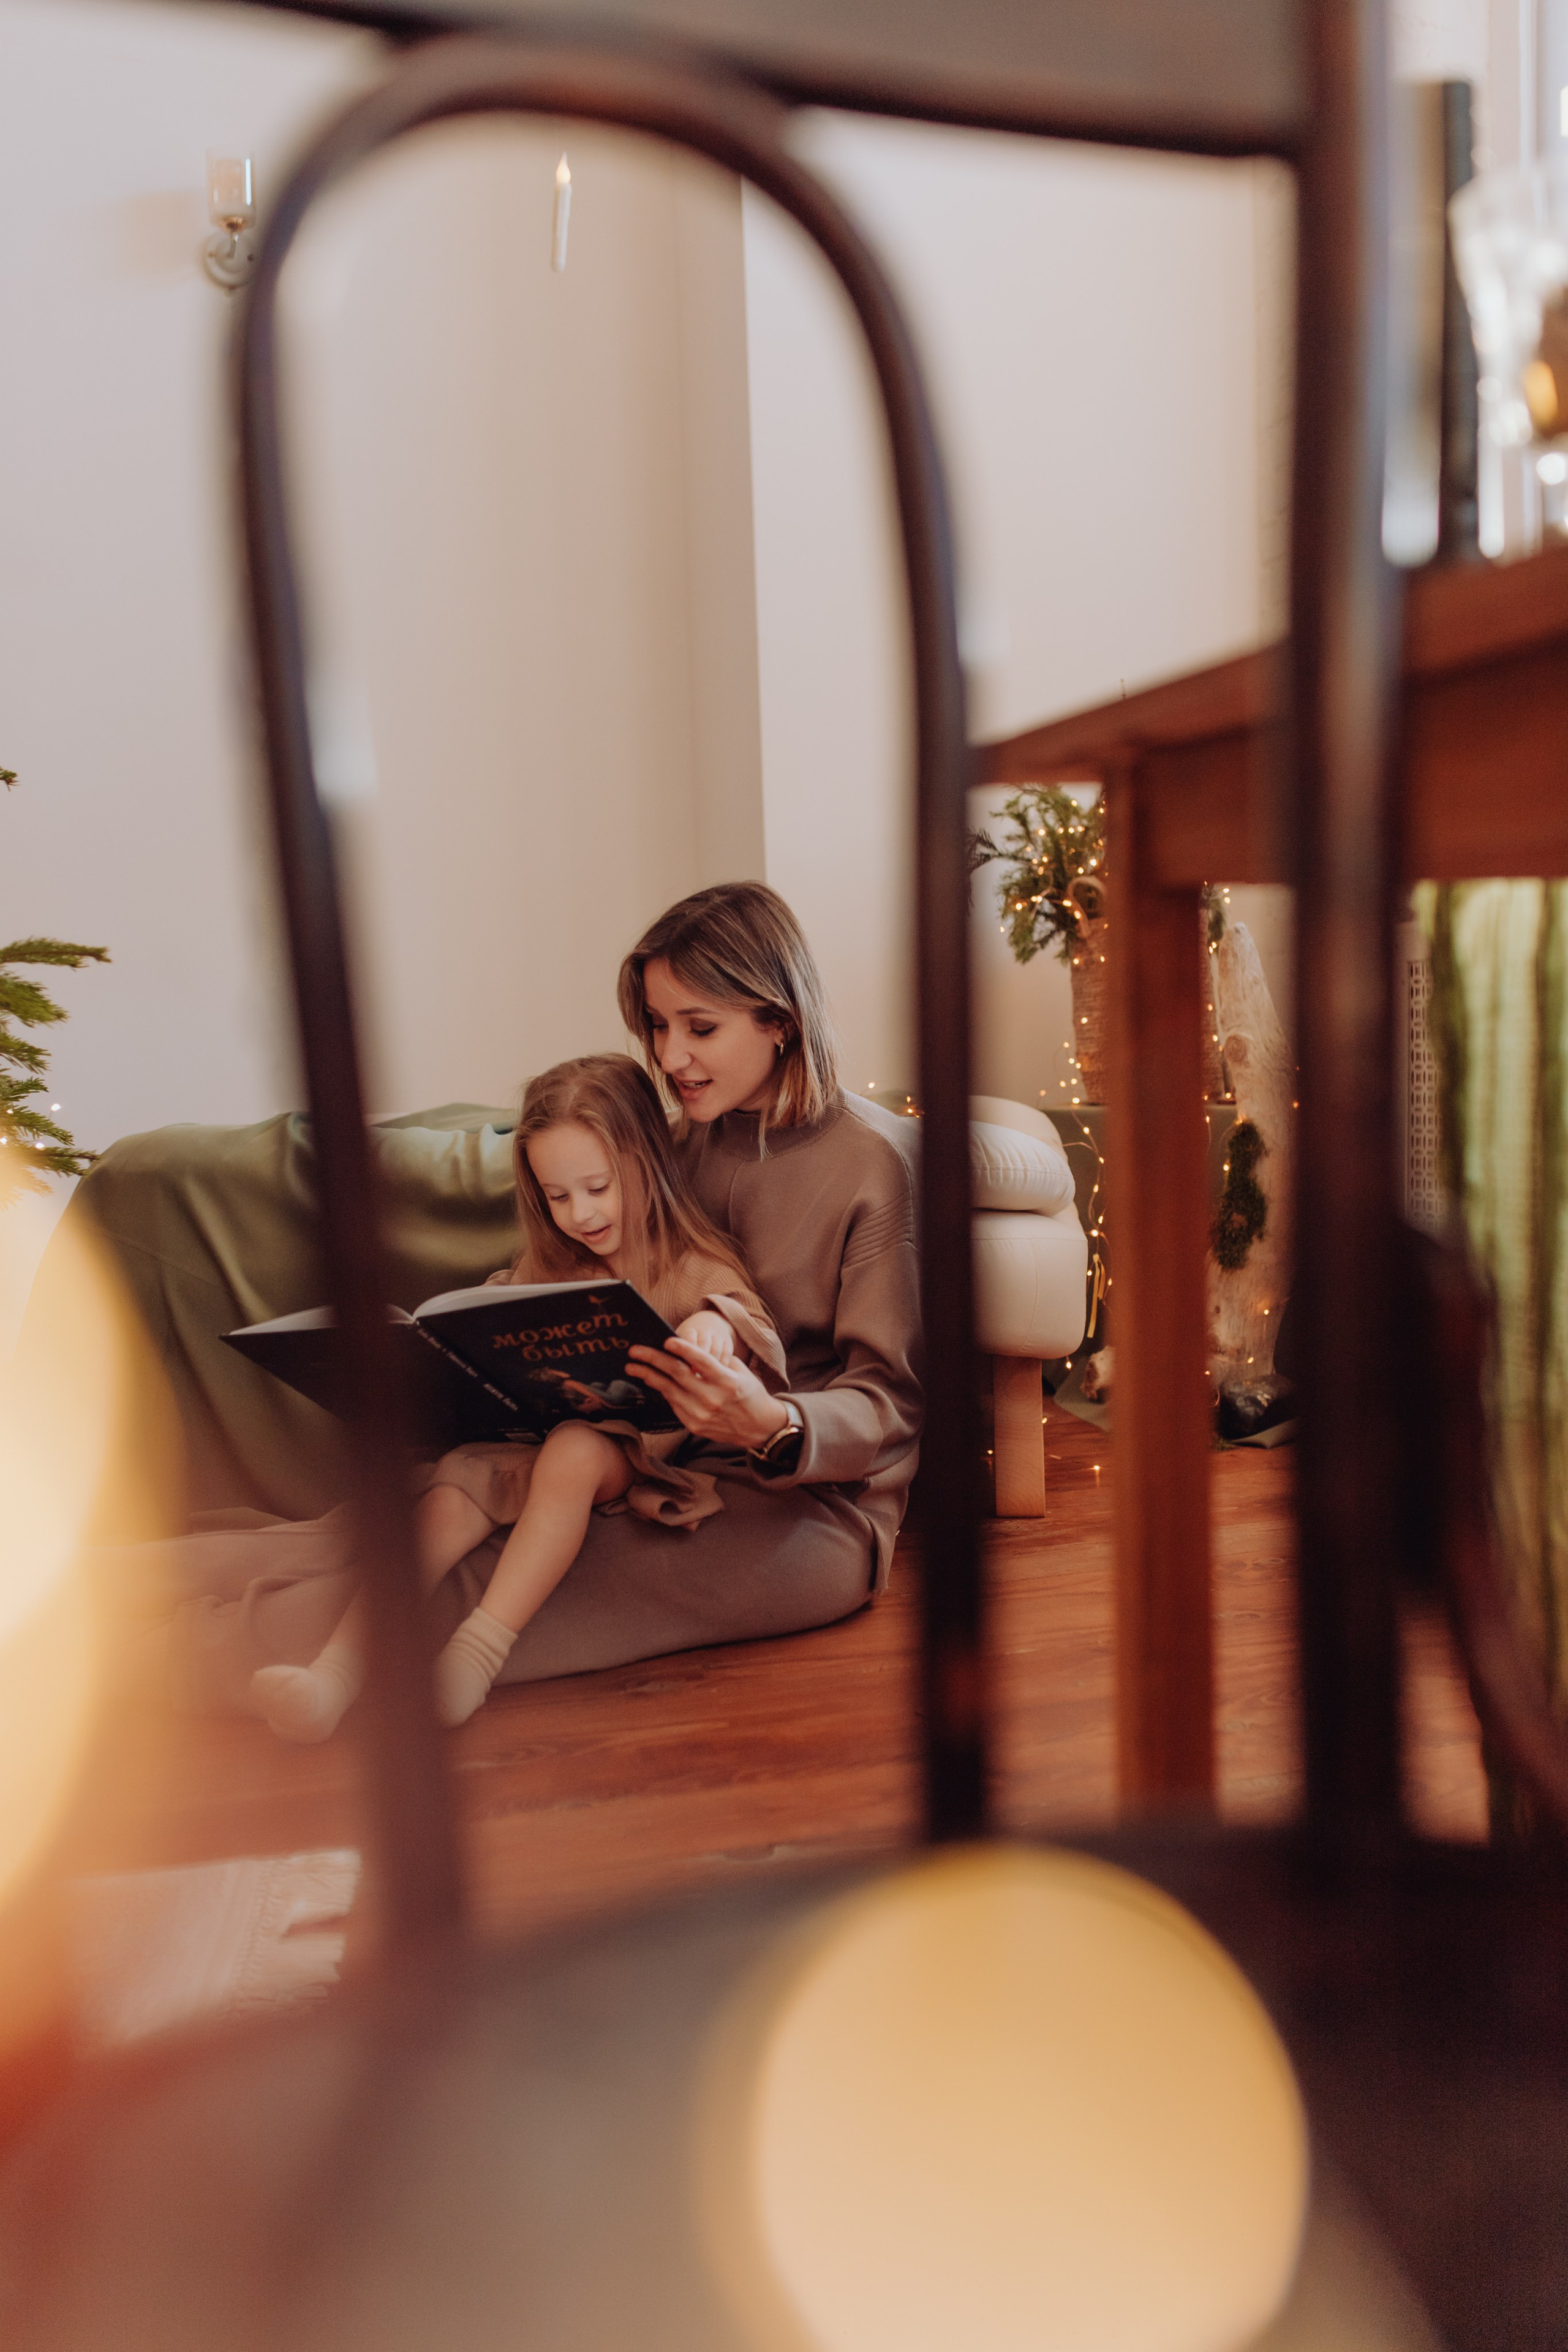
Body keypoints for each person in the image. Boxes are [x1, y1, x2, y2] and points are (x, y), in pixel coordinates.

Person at [143, 880, 921, 1716]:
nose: (671, 1058)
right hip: (643, 1461)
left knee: (466, 1585)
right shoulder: (680, 1140)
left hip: (801, 1510)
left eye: (701, 1028)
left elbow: (889, 1406)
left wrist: (773, 1424)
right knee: (401, 1528)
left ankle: (133, 1663)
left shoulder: (869, 1169)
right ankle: (115, 1597)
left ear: (781, 1019)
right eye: (658, 1027)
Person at [249, 1054, 783, 1741]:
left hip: (630, 1454)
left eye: (597, 1187)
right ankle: (333, 1675)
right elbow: (507, 1313)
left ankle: (476, 1656)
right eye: (558, 1197)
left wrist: (715, 1323)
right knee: (446, 1499)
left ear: (647, 1162)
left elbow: (746, 1318)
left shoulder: (692, 1263)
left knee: (575, 1448)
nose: (581, 1214)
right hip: (524, 1439)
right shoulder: (554, 1261)